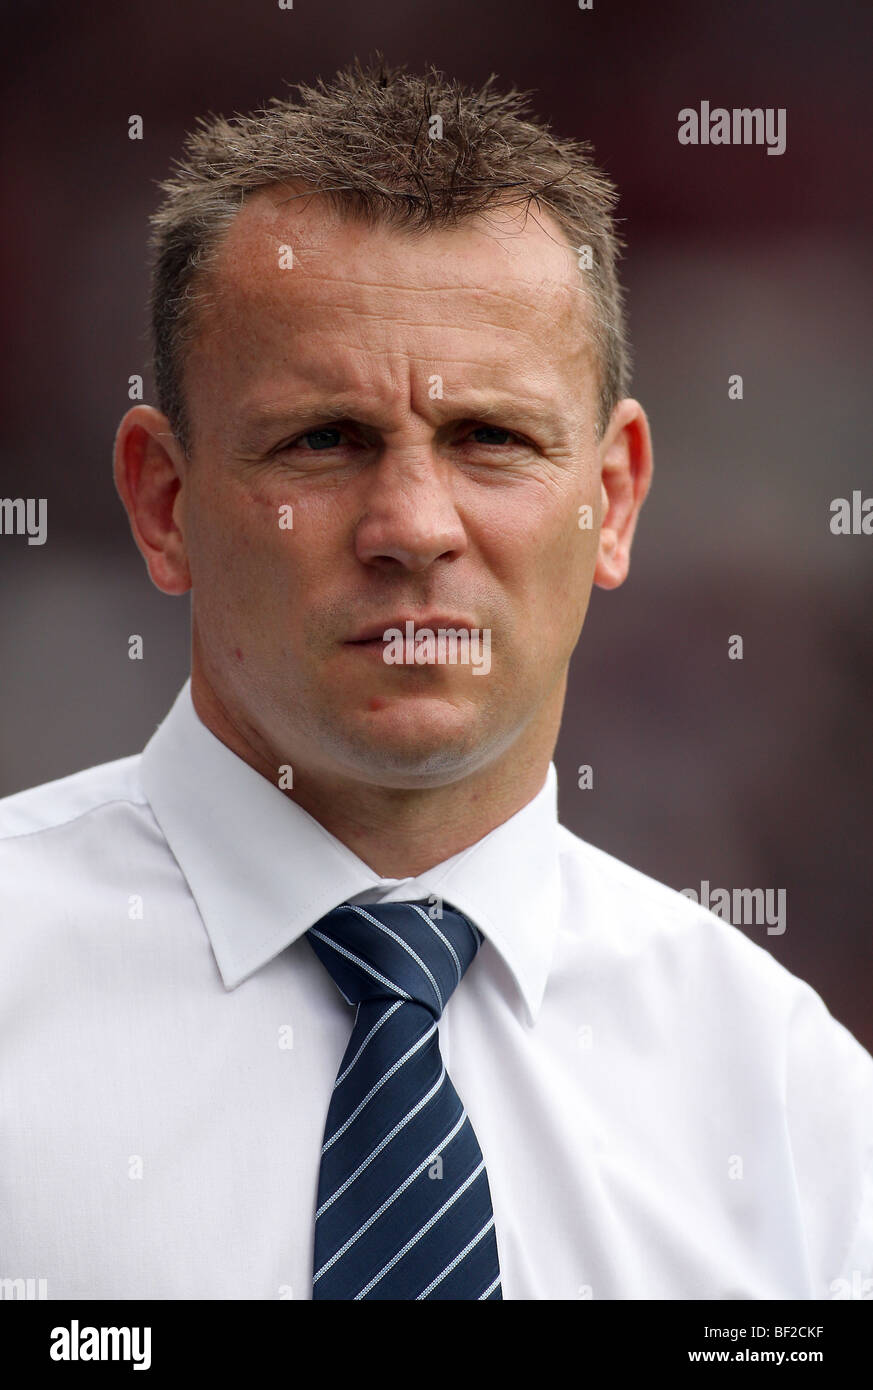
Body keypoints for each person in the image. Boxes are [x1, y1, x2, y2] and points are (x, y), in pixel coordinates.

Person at [1, 56, 870, 1302]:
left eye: (492, 440)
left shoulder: (793, 1110)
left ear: (613, 498)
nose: (413, 523)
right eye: (324, 439)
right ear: (163, 499)